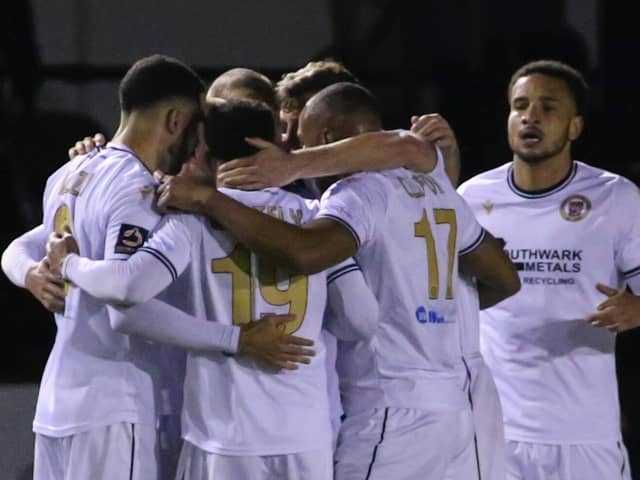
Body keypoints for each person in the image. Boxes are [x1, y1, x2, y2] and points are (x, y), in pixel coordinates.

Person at [154, 82, 521, 479]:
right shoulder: (437, 189)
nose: (292, 147)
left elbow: (306, 253)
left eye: (300, 138)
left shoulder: (357, 193)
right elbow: (504, 280)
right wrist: (430, 311)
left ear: (326, 137)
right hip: (463, 409)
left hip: (393, 409)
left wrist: (210, 199)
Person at [0, 55, 308, 480]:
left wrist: (33, 273)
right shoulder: (141, 189)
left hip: (60, 398)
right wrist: (235, 339)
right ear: (176, 120)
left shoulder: (69, 172)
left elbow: (19, 247)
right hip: (116, 400)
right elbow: (126, 304)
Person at [46, 98, 378, 480]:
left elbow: (129, 292)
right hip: (305, 436)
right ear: (272, 147)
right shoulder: (314, 219)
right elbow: (362, 319)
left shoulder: (193, 220)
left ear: (204, 150)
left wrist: (68, 264)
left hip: (222, 437)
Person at [457, 59, 640, 480]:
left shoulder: (615, 197)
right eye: (520, 105)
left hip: (583, 434)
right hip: (493, 430)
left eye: (548, 106)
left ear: (575, 126)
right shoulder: (471, 198)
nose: (530, 116)